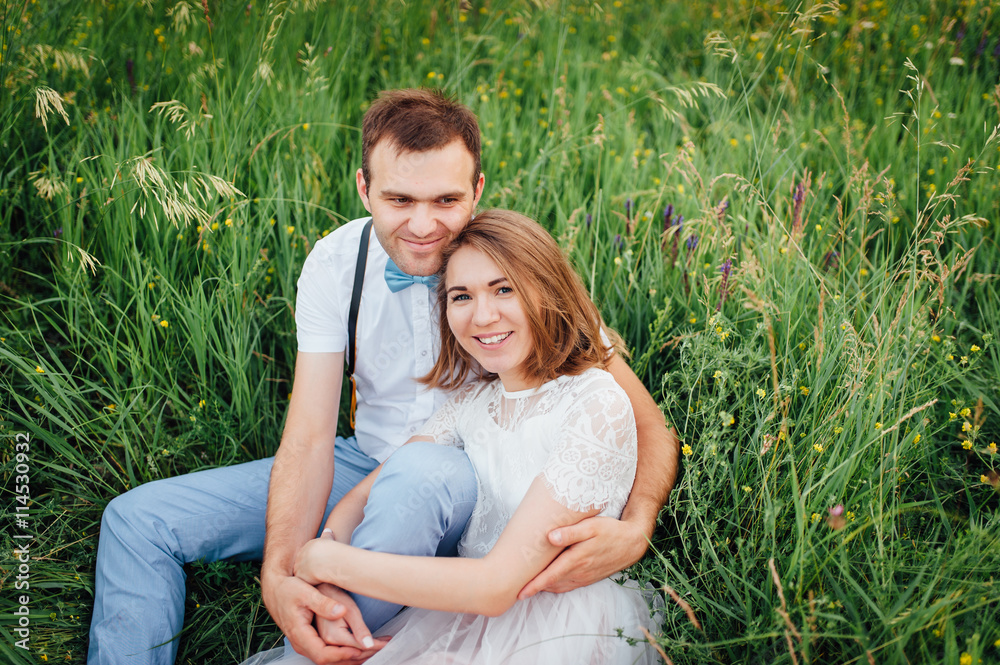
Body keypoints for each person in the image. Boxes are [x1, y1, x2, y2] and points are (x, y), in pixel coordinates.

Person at [88, 89, 677, 665]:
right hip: (366, 464)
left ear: (477, 191)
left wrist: (637, 526)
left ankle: (331, 641)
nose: (423, 225)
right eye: (399, 200)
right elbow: (311, 435)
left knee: (420, 476)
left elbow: (643, 422)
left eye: (445, 200)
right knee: (138, 521)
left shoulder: (513, 269)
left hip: (472, 486)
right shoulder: (335, 263)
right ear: (364, 188)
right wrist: (281, 570)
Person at [241, 209, 662, 664]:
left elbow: (497, 587)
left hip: (552, 624)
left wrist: (333, 564)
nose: (483, 315)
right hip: (466, 610)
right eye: (462, 296)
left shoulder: (594, 402)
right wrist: (325, 549)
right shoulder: (474, 404)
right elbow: (364, 495)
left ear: (548, 290)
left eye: (504, 289)